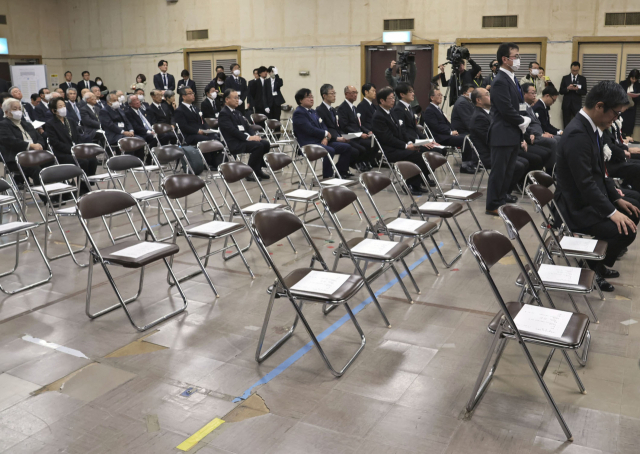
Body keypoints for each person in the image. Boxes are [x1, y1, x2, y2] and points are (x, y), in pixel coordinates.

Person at [554, 80, 640, 291]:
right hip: (574, 207)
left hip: (586, 198)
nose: (616, 119)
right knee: (626, 230)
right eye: (615, 113)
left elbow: (600, 173)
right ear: (599, 106)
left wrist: (617, 199)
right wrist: (611, 212)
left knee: (634, 210)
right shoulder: (578, 134)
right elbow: (585, 184)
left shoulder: (592, 128)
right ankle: (590, 268)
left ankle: (598, 263)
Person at [485, 42, 531, 216]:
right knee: (499, 172)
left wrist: (523, 121)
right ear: (505, 59)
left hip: (512, 132)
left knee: (508, 171)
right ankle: (492, 205)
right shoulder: (499, 81)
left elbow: (518, 105)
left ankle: (502, 199)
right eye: (515, 56)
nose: (518, 60)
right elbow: (505, 109)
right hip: (502, 132)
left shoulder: (512, 78)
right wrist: (521, 121)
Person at [372, 87, 437, 195]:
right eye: (390, 98)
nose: (393, 100)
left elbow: (401, 131)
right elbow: (388, 138)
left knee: (426, 151)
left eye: (393, 98)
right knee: (418, 156)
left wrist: (410, 143)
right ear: (382, 101)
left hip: (400, 146)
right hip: (390, 150)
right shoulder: (378, 116)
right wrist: (406, 146)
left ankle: (417, 183)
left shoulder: (391, 111)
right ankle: (410, 184)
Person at [469, 87, 525, 201]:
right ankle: (503, 193)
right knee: (519, 165)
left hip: (496, 148)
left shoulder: (490, 113)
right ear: (479, 100)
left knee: (524, 160)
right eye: (487, 94)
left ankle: (505, 191)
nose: (491, 97)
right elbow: (488, 139)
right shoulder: (478, 117)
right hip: (487, 154)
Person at [292, 88, 356, 179]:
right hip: (309, 144)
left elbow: (323, 126)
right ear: (300, 100)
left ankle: (340, 171)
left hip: (321, 141)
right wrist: (325, 133)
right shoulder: (299, 113)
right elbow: (309, 129)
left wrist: (325, 137)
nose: (311, 99)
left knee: (346, 147)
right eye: (308, 97)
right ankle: (327, 176)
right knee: (329, 150)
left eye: (312, 96)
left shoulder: (313, 111)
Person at [44, 97, 97, 190]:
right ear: (54, 110)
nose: (63, 108)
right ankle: (83, 189)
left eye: (64, 106)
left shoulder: (70, 121)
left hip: (75, 150)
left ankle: (87, 183)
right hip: (62, 153)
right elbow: (55, 142)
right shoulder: (50, 124)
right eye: (60, 106)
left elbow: (77, 137)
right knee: (83, 162)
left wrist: (79, 148)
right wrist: (71, 150)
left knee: (92, 159)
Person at [218, 89, 271, 181]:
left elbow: (247, 127)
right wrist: (249, 138)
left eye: (238, 98)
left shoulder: (237, 112)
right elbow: (232, 131)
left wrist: (254, 136)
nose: (237, 100)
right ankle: (249, 172)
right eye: (235, 98)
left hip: (243, 140)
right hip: (235, 142)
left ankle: (257, 169)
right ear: (227, 99)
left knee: (265, 143)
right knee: (257, 146)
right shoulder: (224, 114)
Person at [0, 98, 49, 192]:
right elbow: (10, 141)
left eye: (19, 108)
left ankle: (62, 195)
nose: (18, 111)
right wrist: (30, 146)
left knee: (52, 164)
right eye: (15, 109)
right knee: (36, 170)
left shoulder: (27, 124)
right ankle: (48, 198)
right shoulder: (3, 125)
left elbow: (39, 137)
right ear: (6, 112)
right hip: (16, 159)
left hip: (35, 155)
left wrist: (40, 145)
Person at [316, 84, 359, 174]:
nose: (334, 95)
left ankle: (343, 170)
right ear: (324, 95)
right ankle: (340, 171)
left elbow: (336, 127)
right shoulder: (320, 110)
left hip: (336, 136)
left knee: (356, 147)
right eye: (332, 93)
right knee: (348, 148)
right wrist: (337, 138)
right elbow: (326, 128)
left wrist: (343, 136)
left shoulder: (332, 110)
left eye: (334, 93)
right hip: (328, 139)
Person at [392, 83, 442, 155]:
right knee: (437, 151)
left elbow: (415, 128)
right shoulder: (398, 109)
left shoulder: (410, 108)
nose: (413, 94)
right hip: (410, 142)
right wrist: (420, 142)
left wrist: (425, 139)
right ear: (402, 95)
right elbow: (403, 131)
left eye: (413, 91)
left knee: (442, 149)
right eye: (410, 92)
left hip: (417, 140)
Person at [337, 85, 377, 169]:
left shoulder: (354, 108)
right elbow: (345, 126)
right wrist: (359, 134)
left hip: (357, 134)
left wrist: (367, 131)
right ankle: (354, 163)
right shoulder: (342, 108)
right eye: (353, 93)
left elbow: (359, 124)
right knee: (365, 146)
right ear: (346, 94)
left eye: (356, 93)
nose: (355, 95)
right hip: (350, 135)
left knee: (373, 142)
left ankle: (364, 162)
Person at [521, 83, 557, 172]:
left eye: (535, 93)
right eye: (532, 93)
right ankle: (550, 171)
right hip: (533, 136)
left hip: (537, 134)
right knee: (553, 141)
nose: (534, 96)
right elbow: (523, 124)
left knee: (558, 139)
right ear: (524, 93)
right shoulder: (522, 106)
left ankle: (555, 168)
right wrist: (539, 134)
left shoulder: (529, 106)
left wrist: (543, 132)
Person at [173, 87, 219, 154]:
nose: (193, 95)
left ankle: (215, 160)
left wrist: (207, 129)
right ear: (184, 96)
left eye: (193, 93)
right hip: (190, 135)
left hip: (201, 133)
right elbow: (184, 126)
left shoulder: (195, 108)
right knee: (208, 140)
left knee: (215, 136)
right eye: (190, 93)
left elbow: (203, 121)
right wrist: (197, 131)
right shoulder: (179, 110)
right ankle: (208, 160)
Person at [98, 92, 142, 158]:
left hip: (126, 133)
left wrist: (131, 130)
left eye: (117, 100)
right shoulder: (104, 111)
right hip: (114, 135)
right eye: (114, 100)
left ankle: (139, 160)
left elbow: (127, 122)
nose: (116, 102)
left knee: (140, 139)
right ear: (108, 102)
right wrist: (123, 132)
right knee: (128, 141)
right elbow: (110, 125)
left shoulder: (120, 109)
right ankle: (130, 161)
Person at [559, 61, 587, 127]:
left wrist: (577, 90)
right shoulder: (565, 78)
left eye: (576, 71)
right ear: (571, 69)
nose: (574, 72)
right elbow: (560, 91)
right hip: (566, 104)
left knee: (578, 122)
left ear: (579, 69)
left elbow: (584, 92)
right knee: (566, 122)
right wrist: (567, 88)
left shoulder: (582, 79)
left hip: (577, 104)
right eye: (573, 70)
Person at [620, 69, 640, 137]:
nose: (633, 80)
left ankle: (628, 139)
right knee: (621, 124)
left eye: (635, 79)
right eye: (632, 78)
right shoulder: (623, 83)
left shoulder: (638, 86)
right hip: (623, 107)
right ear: (629, 76)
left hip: (632, 108)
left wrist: (635, 96)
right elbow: (619, 94)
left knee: (630, 126)